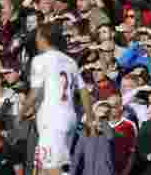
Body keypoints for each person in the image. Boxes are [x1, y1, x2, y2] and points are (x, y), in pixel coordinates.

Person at [20, 23, 95, 175]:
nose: (36, 41)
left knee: (50, 168)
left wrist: (21, 113)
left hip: (52, 120)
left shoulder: (40, 60)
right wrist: (89, 118)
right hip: (68, 117)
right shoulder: (70, 61)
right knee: (53, 167)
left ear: (43, 38)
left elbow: (34, 92)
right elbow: (83, 90)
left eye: (37, 37)